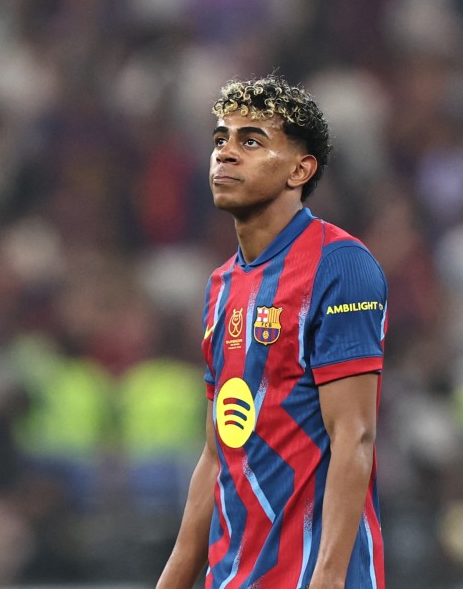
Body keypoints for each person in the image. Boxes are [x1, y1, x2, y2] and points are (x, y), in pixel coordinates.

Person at [157, 75, 387, 589]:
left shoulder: (340, 266)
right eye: (221, 140)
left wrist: (326, 580)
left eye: (251, 141)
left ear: (300, 170)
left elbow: (354, 436)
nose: (226, 154)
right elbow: (219, 453)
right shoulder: (221, 286)